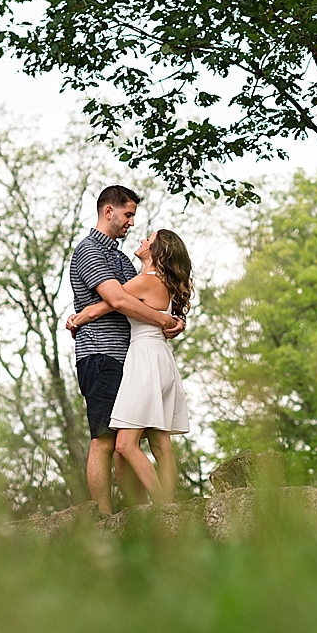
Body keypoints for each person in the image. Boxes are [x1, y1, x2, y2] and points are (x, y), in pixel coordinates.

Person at [66, 185, 183, 514]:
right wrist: (164, 319)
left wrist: (170, 319)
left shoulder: (120, 257)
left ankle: (137, 514)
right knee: (104, 440)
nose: (132, 222)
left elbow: (137, 300)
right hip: (101, 355)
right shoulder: (90, 250)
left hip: (129, 359)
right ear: (109, 211)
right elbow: (118, 300)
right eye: (128, 214)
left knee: (125, 446)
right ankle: (102, 517)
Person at [106, 229, 193, 505]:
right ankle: (170, 508)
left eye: (148, 240)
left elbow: (111, 301)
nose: (142, 241)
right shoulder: (164, 284)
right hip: (161, 360)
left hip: (144, 359)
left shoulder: (145, 281)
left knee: (124, 445)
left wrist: (80, 316)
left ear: (157, 252)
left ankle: (161, 508)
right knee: (161, 444)